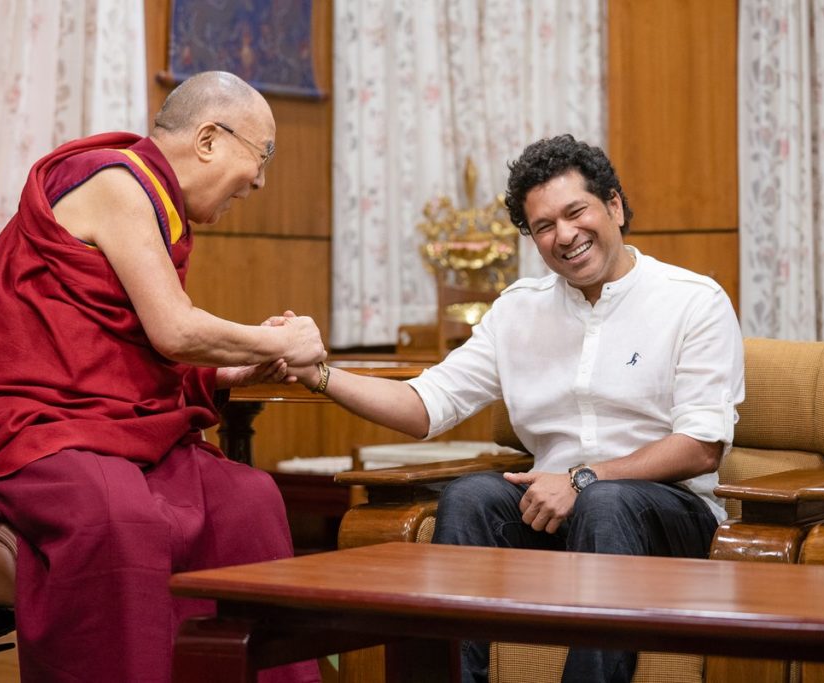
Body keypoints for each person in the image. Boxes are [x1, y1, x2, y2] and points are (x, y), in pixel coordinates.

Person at [287, 134, 744, 683]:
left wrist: (582, 479)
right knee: (471, 497)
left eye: (576, 212)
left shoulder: (693, 301)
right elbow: (423, 405)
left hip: (667, 515)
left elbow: (700, 446)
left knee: (607, 504)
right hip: (554, 509)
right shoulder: (518, 312)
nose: (565, 236)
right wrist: (320, 375)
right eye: (544, 226)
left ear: (615, 206)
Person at [0, 71, 324, 683]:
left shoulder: (157, 204)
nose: (262, 180)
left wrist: (222, 371)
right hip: (25, 423)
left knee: (247, 500)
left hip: (100, 426)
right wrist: (281, 341)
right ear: (211, 139)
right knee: (117, 513)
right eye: (261, 156)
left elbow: (122, 358)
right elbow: (172, 330)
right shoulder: (114, 181)